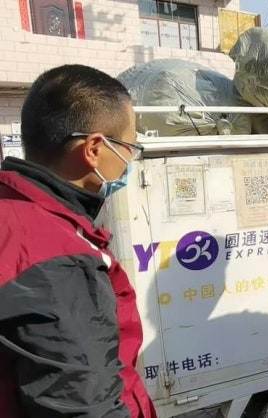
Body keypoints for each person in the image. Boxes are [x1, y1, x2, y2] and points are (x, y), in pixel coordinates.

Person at [0, 65, 156, 417]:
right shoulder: (57, 256)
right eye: (130, 146)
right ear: (95, 149)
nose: (130, 158)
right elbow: (85, 406)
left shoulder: (14, 211)